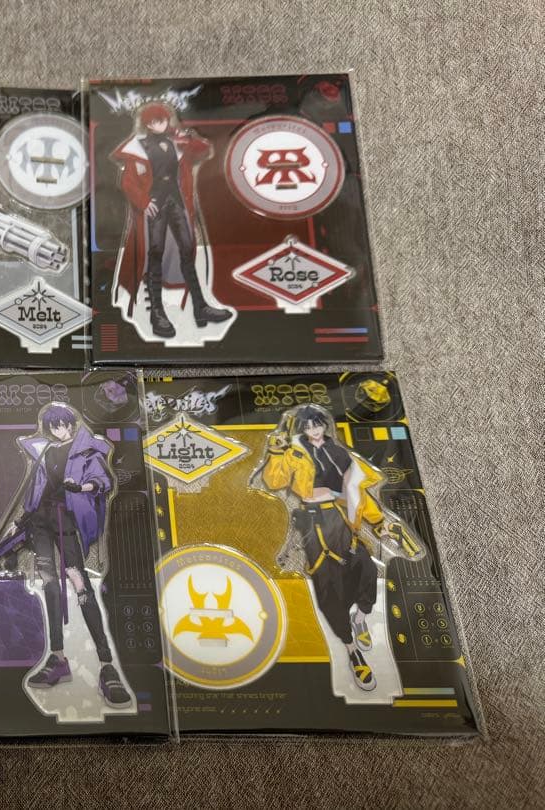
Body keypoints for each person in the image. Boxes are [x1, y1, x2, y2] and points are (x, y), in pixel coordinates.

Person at [261, 405, 402, 692]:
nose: (313, 431)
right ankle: (353, 651)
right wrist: (275, 452)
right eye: (307, 427)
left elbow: (355, 491)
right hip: (312, 521)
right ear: (301, 429)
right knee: (327, 586)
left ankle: (360, 618)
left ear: (324, 425)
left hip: (339, 517)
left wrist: (378, 523)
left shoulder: (339, 453)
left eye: (317, 425)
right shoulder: (294, 453)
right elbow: (274, 481)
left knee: (365, 567)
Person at [3, 403, 131, 707]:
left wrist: (81, 486)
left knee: (79, 582)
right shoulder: (45, 452)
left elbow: (103, 481)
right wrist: (17, 522)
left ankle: (106, 665)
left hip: (67, 521)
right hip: (40, 523)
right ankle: (58, 658)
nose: (59, 430)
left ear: (71, 424)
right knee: (49, 584)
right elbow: (34, 492)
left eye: (62, 425)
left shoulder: (87, 451)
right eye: (54, 426)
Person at [110, 102, 231, 338]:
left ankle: (200, 307)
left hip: (177, 203)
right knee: (155, 253)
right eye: (156, 121)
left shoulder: (177, 142)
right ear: (148, 124)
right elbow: (128, 182)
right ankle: (157, 313)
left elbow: (203, 150)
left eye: (163, 120)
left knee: (187, 251)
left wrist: (183, 135)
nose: (161, 124)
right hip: (155, 205)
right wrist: (144, 202)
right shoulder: (138, 147)